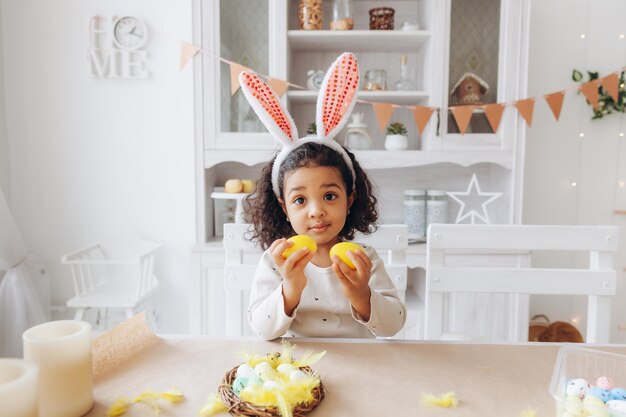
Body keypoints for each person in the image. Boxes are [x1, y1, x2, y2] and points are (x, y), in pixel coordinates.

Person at [239, 53, 406, 340]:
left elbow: (394, 326)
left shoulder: (363, 259)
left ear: (350, 198)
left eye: (329, 196)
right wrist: (290, 287)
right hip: (297, 368)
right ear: (284, 207)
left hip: (362, 367)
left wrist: (362, 294)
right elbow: (262, 330)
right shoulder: (276, 261)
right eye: (300, 200)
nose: (316, 211)